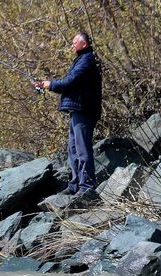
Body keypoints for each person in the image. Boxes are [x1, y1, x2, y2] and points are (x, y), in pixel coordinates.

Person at [33, 32, 102, 195]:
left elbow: (70, 81)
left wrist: (50, 84)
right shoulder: (82, 60)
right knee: (73, 149)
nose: (72, 45)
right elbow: (70, 85)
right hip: (78, 110)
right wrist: (46, 85)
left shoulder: (87, 60)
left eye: (74, 43)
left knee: (82, 149)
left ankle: (87, 187)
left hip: (85, 110)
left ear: (83, 44)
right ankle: (74, 185)